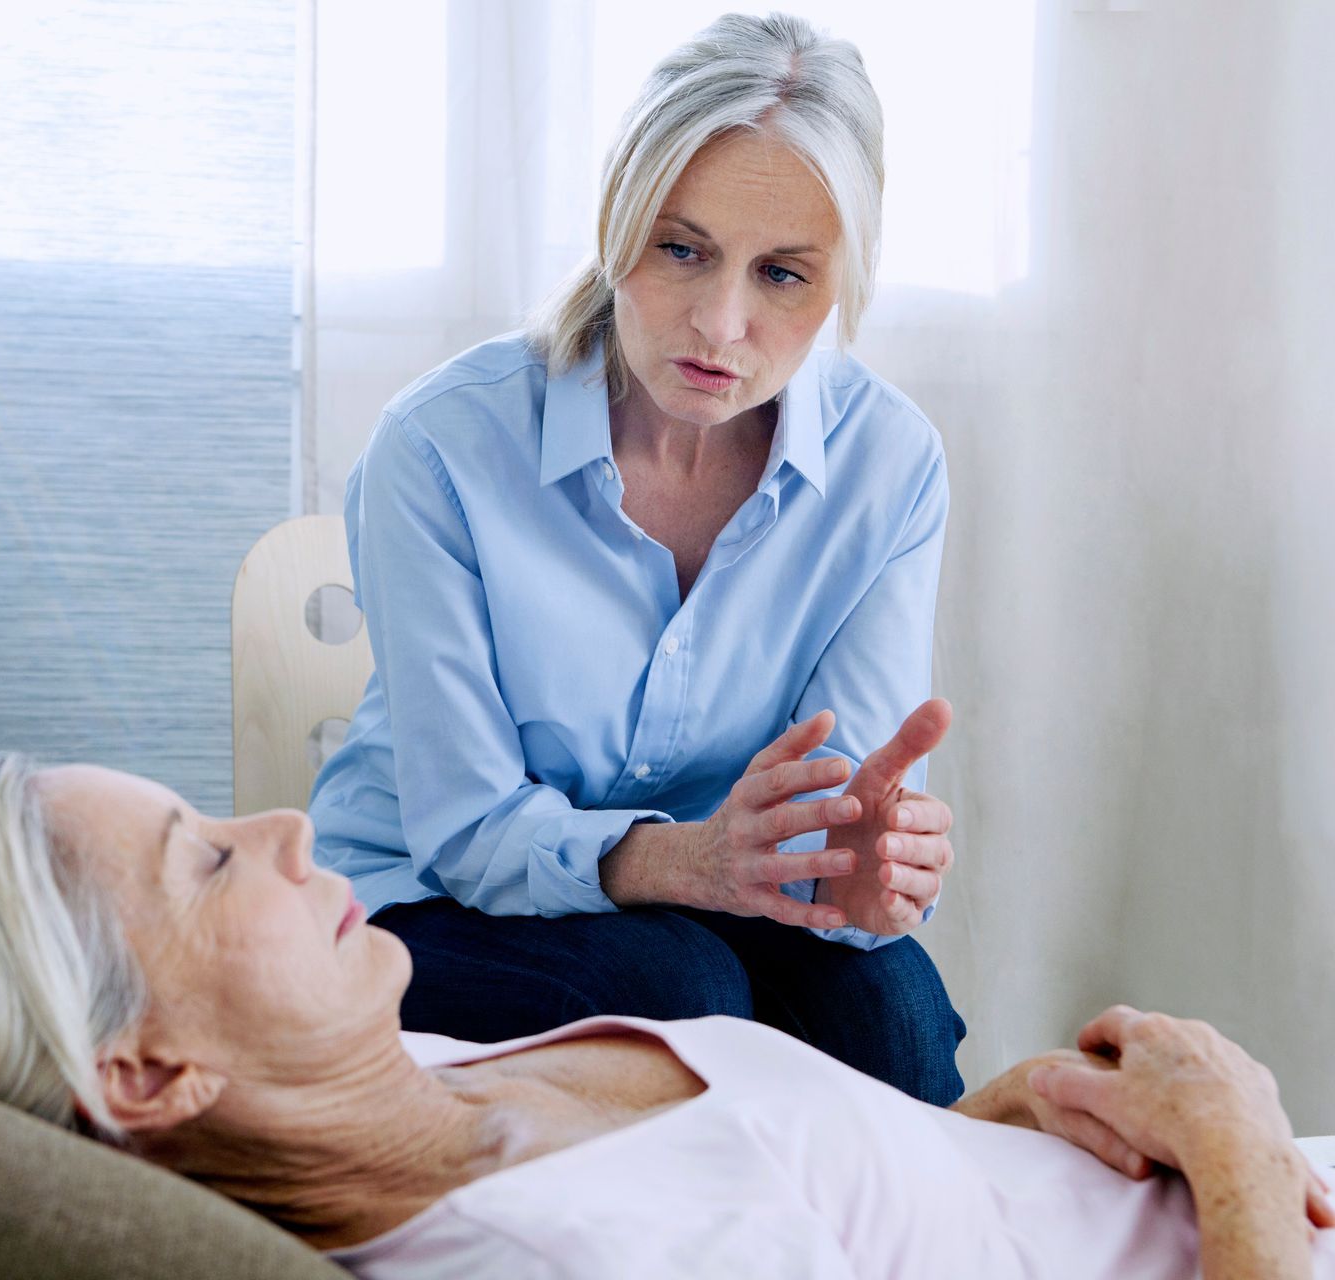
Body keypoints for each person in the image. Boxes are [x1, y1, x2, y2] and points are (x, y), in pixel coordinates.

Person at [0, 758, 1335, 1278]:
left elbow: (827, 1196)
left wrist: (1003, 1120)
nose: (291, 826)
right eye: (205, 864)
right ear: (147, 1070)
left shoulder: (401, 1075)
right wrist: (1240, 1150)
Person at [307, 12, 968, 1103]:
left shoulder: (889, 466)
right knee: (682, 987)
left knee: (888, 1010)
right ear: (617, 218)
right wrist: (690, 859)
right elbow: (468, 828)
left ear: (843, 279)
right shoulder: (441, 447)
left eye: (784, 276)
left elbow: (836, 811)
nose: (720, 323)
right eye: (682, 248)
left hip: (722, 907)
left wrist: (864, 878)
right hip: (433, 898)